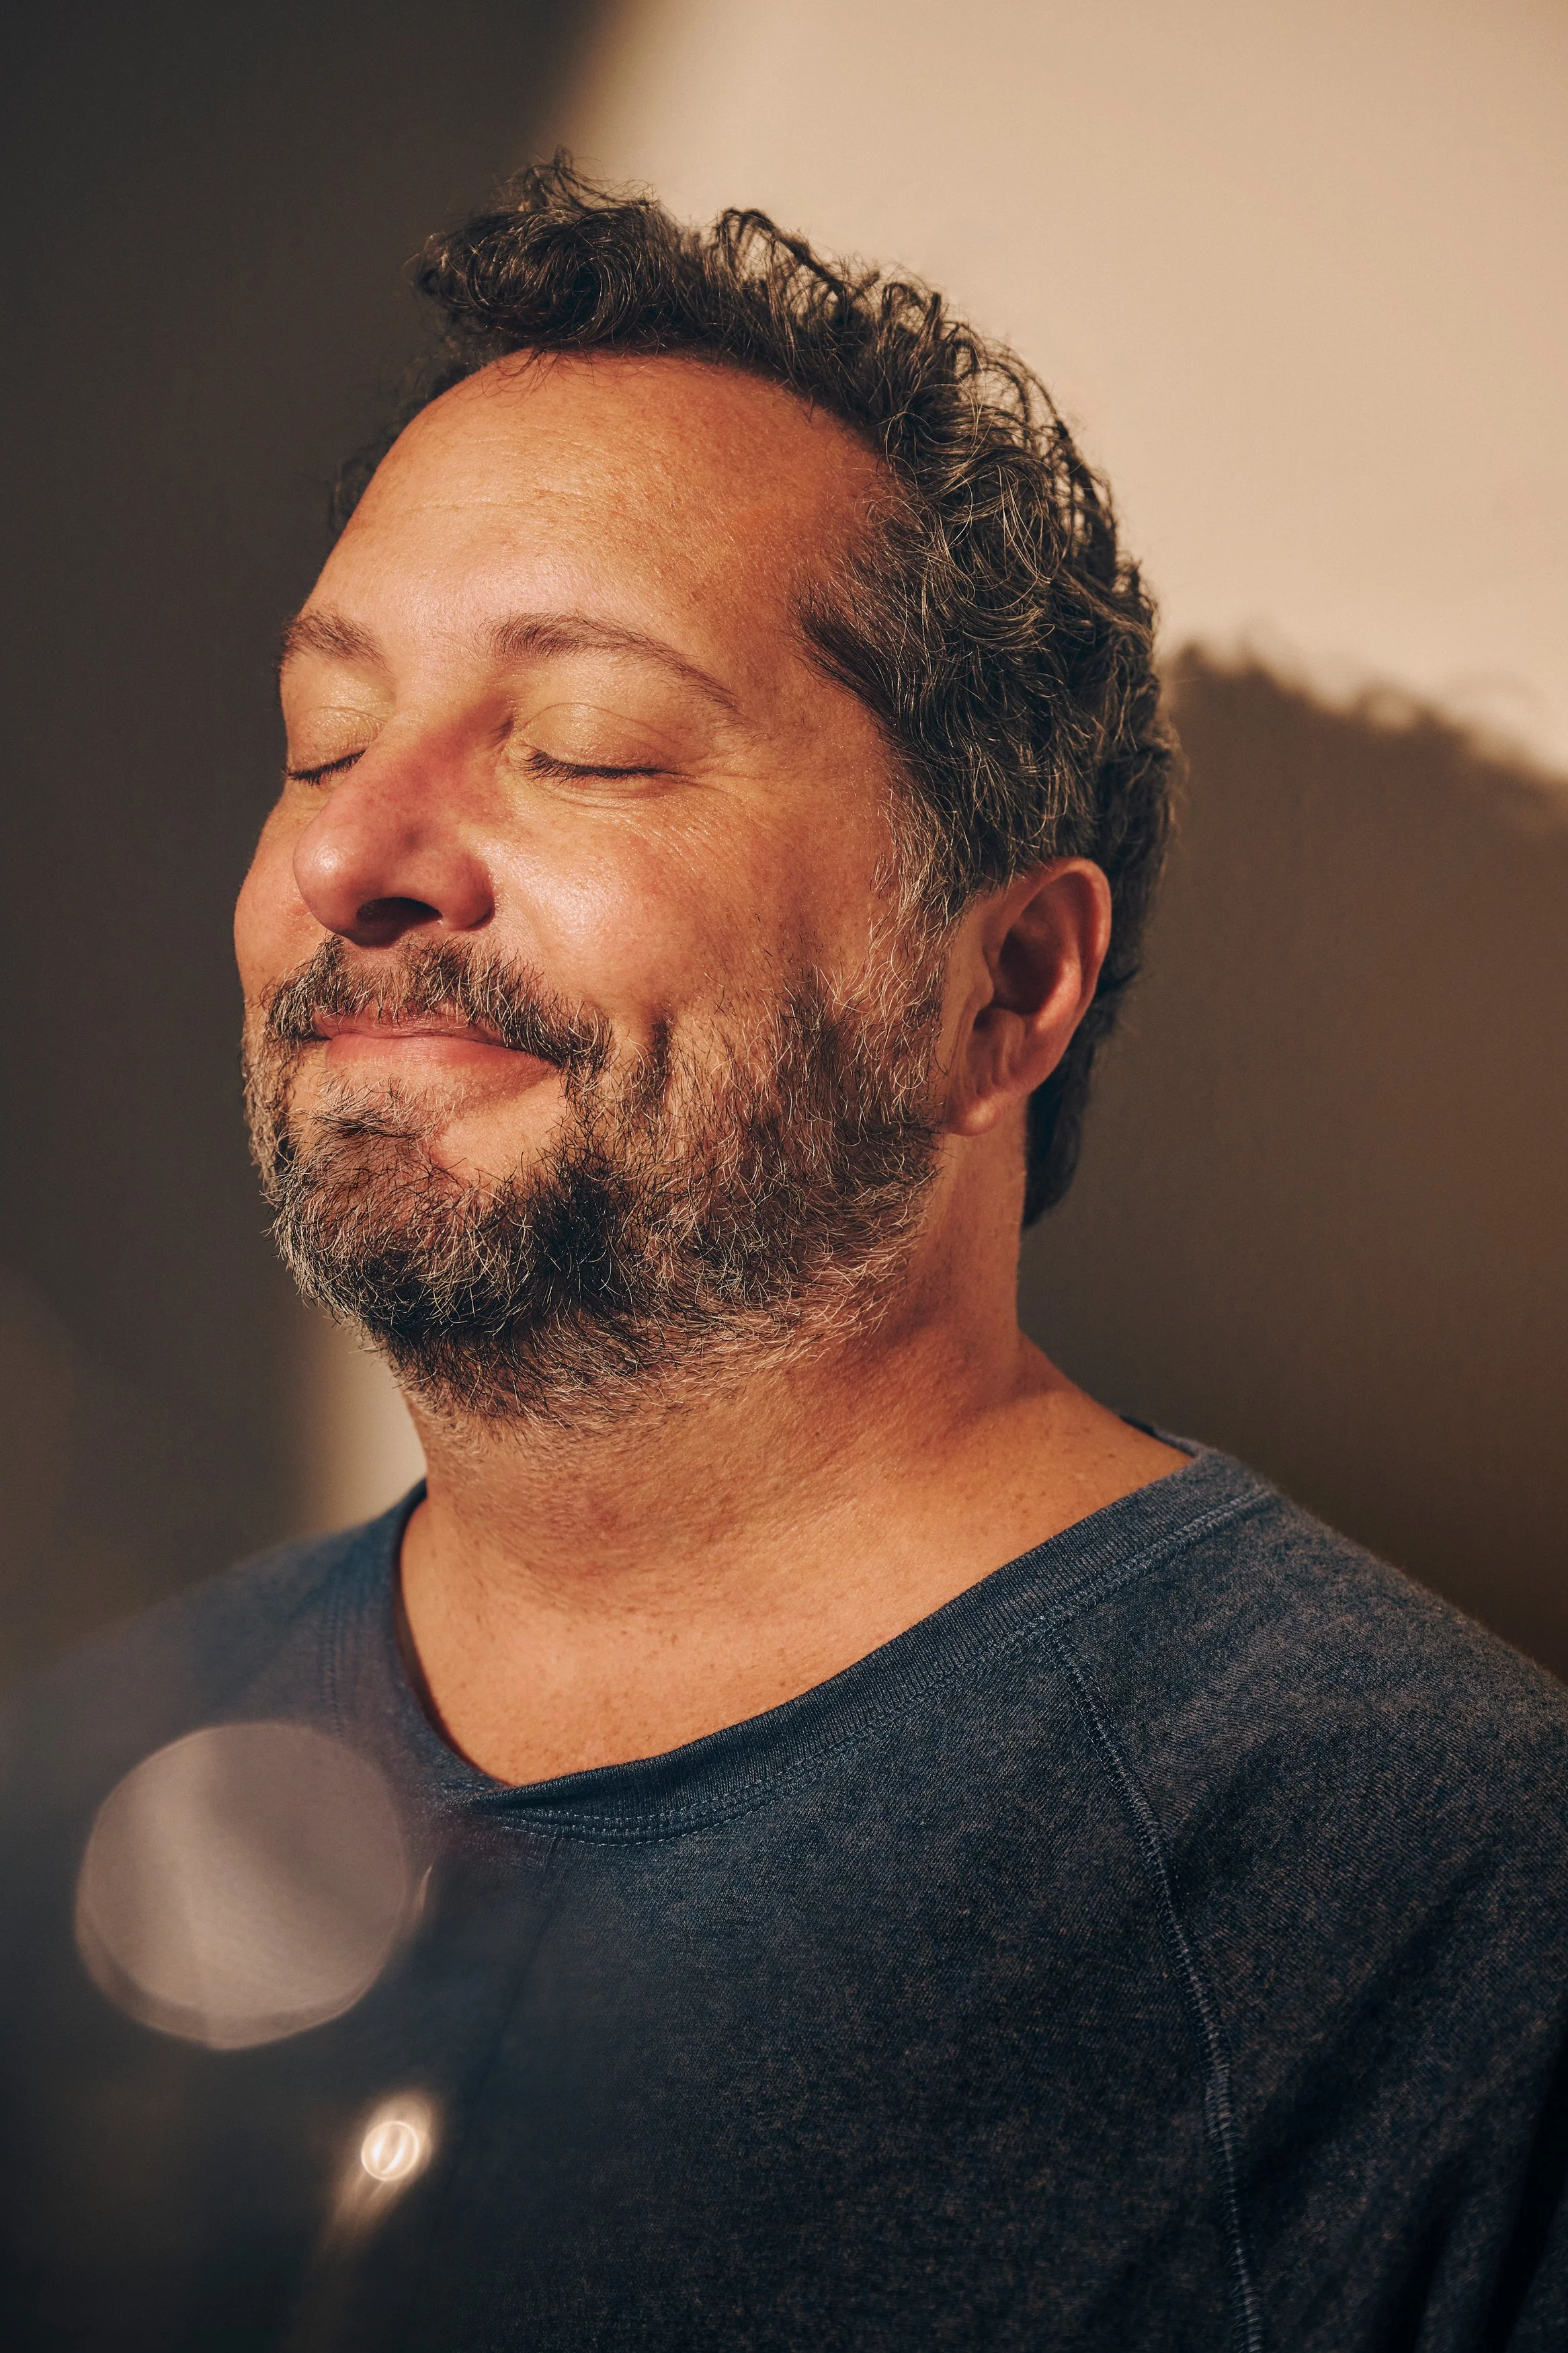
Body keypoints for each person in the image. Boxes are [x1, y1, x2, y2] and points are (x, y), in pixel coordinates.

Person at [2, 160, 1565, 2353]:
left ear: (1002, 981)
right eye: (321, 739)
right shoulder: (68, 1784)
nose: (351, 851)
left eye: (587, 743)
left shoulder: (1426, 1918)